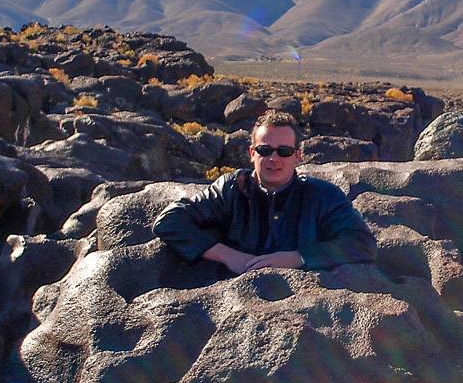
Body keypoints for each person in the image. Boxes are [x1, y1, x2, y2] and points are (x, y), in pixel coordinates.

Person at [152, 110, 377, 276]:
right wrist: (229, 256)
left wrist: (300, 257)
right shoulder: (232, 188)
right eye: (265, 150)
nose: (273, 158)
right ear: (252, 153)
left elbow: (362, 244)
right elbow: (169, 221)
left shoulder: (322, 196)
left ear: (297, 156)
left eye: (284, 151)